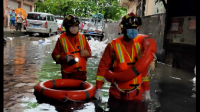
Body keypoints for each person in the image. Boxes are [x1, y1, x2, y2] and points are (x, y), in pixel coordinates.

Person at [94, 12, 154, 102]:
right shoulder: (112, 46)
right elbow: (102, 67)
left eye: (135, 28)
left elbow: (144, 70)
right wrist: (98, 89)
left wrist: (146, 90)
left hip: (136, 95)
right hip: (118, 94)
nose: (133, 30)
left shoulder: (140, 46)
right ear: (123, 28)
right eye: (130, 28)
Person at [51, 14, 91, 81]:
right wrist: (64, 58)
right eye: (72, 26)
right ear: (67, 27)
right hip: (67, 75)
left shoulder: (82, 38)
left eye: (76, 26)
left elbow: (89, 53)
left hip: (81, 75)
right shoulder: (61, 39)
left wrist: (87, 54)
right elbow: (54, 55)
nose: (75, 28)